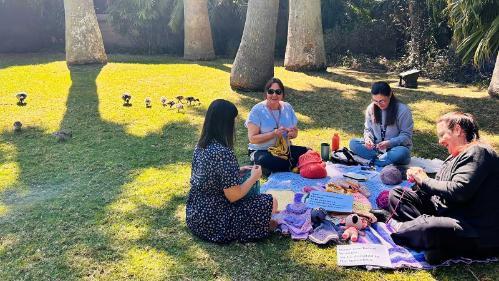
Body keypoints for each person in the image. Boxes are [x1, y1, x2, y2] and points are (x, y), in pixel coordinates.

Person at [379, 112, 499, 264]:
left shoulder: (479, 152)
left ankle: (409, 230)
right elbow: (439, 192)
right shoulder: (454, 156)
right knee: (397, 195)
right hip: (448, 213)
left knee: (430, 227)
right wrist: (419, 182)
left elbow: (459, 191)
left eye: (442, 135)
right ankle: (436, 244)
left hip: (473, 228)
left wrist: (425, 180)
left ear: (457, 129)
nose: (440, 141)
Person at [186, 99, 278, 243]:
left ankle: (262, 225)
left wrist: (237, 171)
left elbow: (208, 176)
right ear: (225, 124)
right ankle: (259, 226)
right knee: (271, 202)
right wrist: (253, 177)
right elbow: (234, 196)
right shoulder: (224, 153)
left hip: (196, 214)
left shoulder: (201, 145)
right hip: (215, 219)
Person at [245, 77, 308, 174]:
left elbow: (295, 133)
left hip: (284, 150)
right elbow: (252, 139)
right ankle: (295, 165)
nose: (274, 95)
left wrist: (293, 133)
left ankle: (290, 165)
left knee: (308, 152)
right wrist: (273, 134)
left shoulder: (287, 107)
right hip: (263, 150)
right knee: (267, 161)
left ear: (282, 94)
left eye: (278, 92)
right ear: (266, 93)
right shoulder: (257, 110)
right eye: (271, 91)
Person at [349, 82, 413, 166]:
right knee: (353, 143)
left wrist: (389, 143)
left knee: (402, 152)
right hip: (376, 148)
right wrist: (368, 139)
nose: (379, 104)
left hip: (395, 148)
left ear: (390, 95)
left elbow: (406, 135)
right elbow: (368, 129)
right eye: (375, 101)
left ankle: (374, 161)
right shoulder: (371, 108)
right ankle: (382, 160)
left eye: (382, 101)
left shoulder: (403, 110)